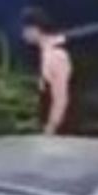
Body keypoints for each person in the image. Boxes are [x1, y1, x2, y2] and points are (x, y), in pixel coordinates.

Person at [21, 7, 77, 135]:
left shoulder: (57, 55)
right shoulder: (46, 53)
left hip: (62, 131)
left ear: (35, 30)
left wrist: (51, 127)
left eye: (26, 29)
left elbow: (61, 97)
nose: (23, 34)